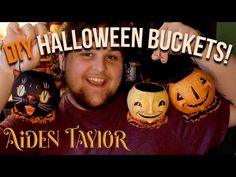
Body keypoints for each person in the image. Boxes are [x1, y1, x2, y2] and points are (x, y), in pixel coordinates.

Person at [0, 21, 236, 155]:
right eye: (87, 53)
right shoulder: (30, 128)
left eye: (112, 56)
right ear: (62, 59)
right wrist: (5, 68)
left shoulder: (156, 114)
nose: (100, 68)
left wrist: (199, 45)